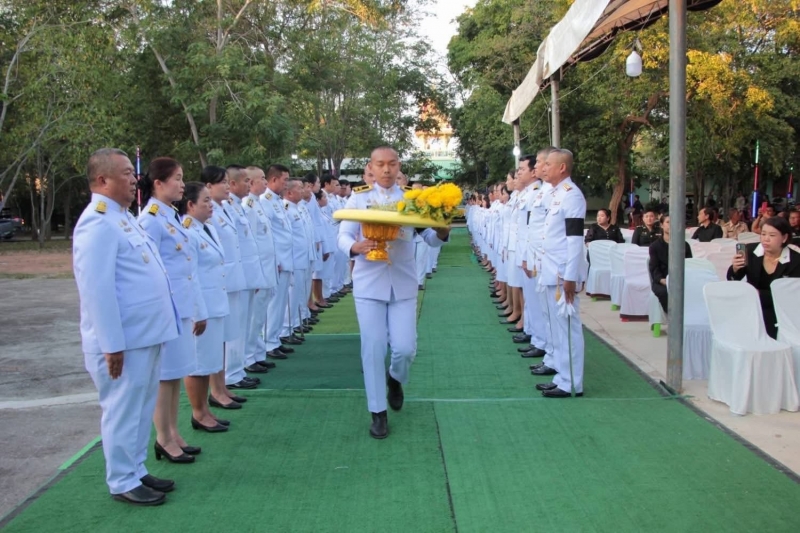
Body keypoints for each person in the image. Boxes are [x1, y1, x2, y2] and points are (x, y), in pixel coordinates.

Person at [73, 148, 180, 505]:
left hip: (144, 334)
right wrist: (111, 344)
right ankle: (121, 480)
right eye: (125, 173)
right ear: (102, 180)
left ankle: (135, 468)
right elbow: (97, 289)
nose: (135, 179)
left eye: (132, 174)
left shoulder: (122, 218)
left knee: (140, 407)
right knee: (122, 410)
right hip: (124, 340)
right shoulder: (97, 222)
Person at [337, 146, 450, 438]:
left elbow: (428, 236)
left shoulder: (412, 198)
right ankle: (378, 412)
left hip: (402, 281)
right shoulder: (359, 198)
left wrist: (442, 230)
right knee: (373, 348)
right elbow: (344, 234)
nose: (386, 170)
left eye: (391, 164)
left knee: (404, 348)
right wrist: (354, 247)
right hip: (369, 281)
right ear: (371, 168)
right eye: (380, 164)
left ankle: (395, 378)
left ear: (399, 166)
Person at [138, 157, 205, 464]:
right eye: (177, 178)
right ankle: (163, 437)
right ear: (158, 183)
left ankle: (173, 432)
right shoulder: (151, 219)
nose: (182, 184)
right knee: (165, 376)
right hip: (168, 307)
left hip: (181, 305)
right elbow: (149, 269)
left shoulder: (170, 215)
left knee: (176, 372)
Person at [533, 148, 587, 398]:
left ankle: (572, 382)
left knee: (567, 328)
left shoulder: (571, 195)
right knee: (556, 328)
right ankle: (562, 376)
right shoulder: (555, 194)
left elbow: (575, 240)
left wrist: (570, 276)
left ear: (562, 167)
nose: (544, 168)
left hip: (562, 272)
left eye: (549, 165)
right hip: (550, 269)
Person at [179, 182, 229, 432]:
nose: (211, 205)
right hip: (202, 307)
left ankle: (205, 409)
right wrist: (198, 311)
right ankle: (198, 412)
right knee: (198, 364)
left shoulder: (205, 228)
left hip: (215, 303)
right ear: (190, 205)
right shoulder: (188, 231)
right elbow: (191, 276)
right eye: (205, 201)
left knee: (209, 360)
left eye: (211, 200)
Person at [203, 166, 253, 408]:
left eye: (226, 181)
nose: (226, 186)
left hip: (232, 279)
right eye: (222, 182)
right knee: (218, 340)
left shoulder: (224, 207)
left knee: (226, 335)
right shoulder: (207, 211)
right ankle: (216, 390)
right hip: (220, 282)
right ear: (208, 186)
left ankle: (221, 386)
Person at [728, 216, 800, 338]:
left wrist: (759, 294)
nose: (766, 239)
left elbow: (790, 296)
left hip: (779, 311)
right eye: (763, 234)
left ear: (784, 238)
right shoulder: (750, 251)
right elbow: (733, 278)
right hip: (752, 306)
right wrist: (735, 269)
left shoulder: (796, 261)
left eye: (772, 235)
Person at [241, 166, 278, 374]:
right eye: (262, 179)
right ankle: (248, 358)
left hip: (266, 268)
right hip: (259, 270)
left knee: (259, 316)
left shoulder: (257, 204)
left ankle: (256, 353)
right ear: (251, 182)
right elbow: (251, 243)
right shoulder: (248, 206)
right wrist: (255, 274)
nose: (265, 182)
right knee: (254, 317)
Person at [262, 164, 297, 358]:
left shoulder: (276, 201)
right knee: (274, 305)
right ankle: (268, 343)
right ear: (274, 179)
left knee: (281, 303)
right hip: (278, 261)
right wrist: (274, 259)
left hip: (286, 259)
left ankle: (274, 339)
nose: (286, 183)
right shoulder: (265, 201)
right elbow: (267, 235)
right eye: (285, 180)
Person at [649, 213, 693, 313]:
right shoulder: (655, 246)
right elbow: (654, 268)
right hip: (662, 280)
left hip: (682, 280)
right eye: (668, 222)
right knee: (664, 292)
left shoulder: (684, 245)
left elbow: (689, 264)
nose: (671, 225)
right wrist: (662, 280)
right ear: (662, 225)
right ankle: (672, 316)